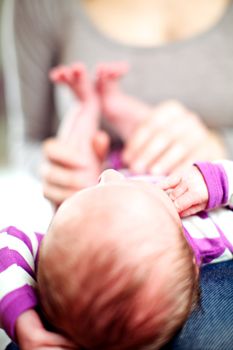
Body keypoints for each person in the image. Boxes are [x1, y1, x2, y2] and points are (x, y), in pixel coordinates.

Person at [2, 0, 232, 207]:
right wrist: (61, 170)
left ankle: (92, 104)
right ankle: (93, 106)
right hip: (99, 183)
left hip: (157, 184)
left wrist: (220, 148)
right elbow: (26, 143)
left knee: (143, 131)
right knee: (136, 131)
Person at [1, 159, 233, 350]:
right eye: (134, 189)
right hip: (156, 159)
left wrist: (25, 321)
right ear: (193, 264)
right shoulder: (216, 233)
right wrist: (217, 181)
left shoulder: (65, 257)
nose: (110, 175)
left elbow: (7, 248)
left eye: (94, 188)